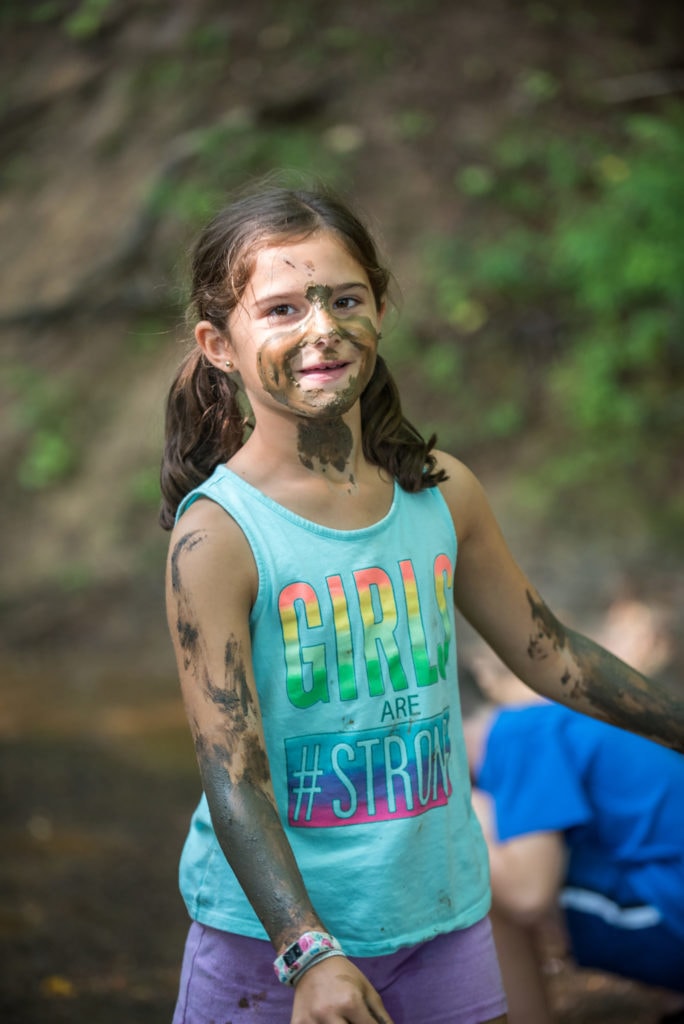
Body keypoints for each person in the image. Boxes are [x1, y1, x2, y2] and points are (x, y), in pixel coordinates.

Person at [159, 181, 683, 1024]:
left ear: (380, 309)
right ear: (219, 343)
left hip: (441, 919)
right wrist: (308, 953)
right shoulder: (219, 535)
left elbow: (553, 656)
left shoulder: (442, 496)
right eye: (284, 308)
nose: (322, 328)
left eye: (345, 299)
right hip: (273, 945)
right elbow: (233, 778)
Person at [460, 672, 684, 1024]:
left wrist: (463, 808)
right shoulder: (537, 724)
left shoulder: (516, 737)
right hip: (668, 893)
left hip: (672, 912)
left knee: (484, 877)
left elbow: (527, 896)